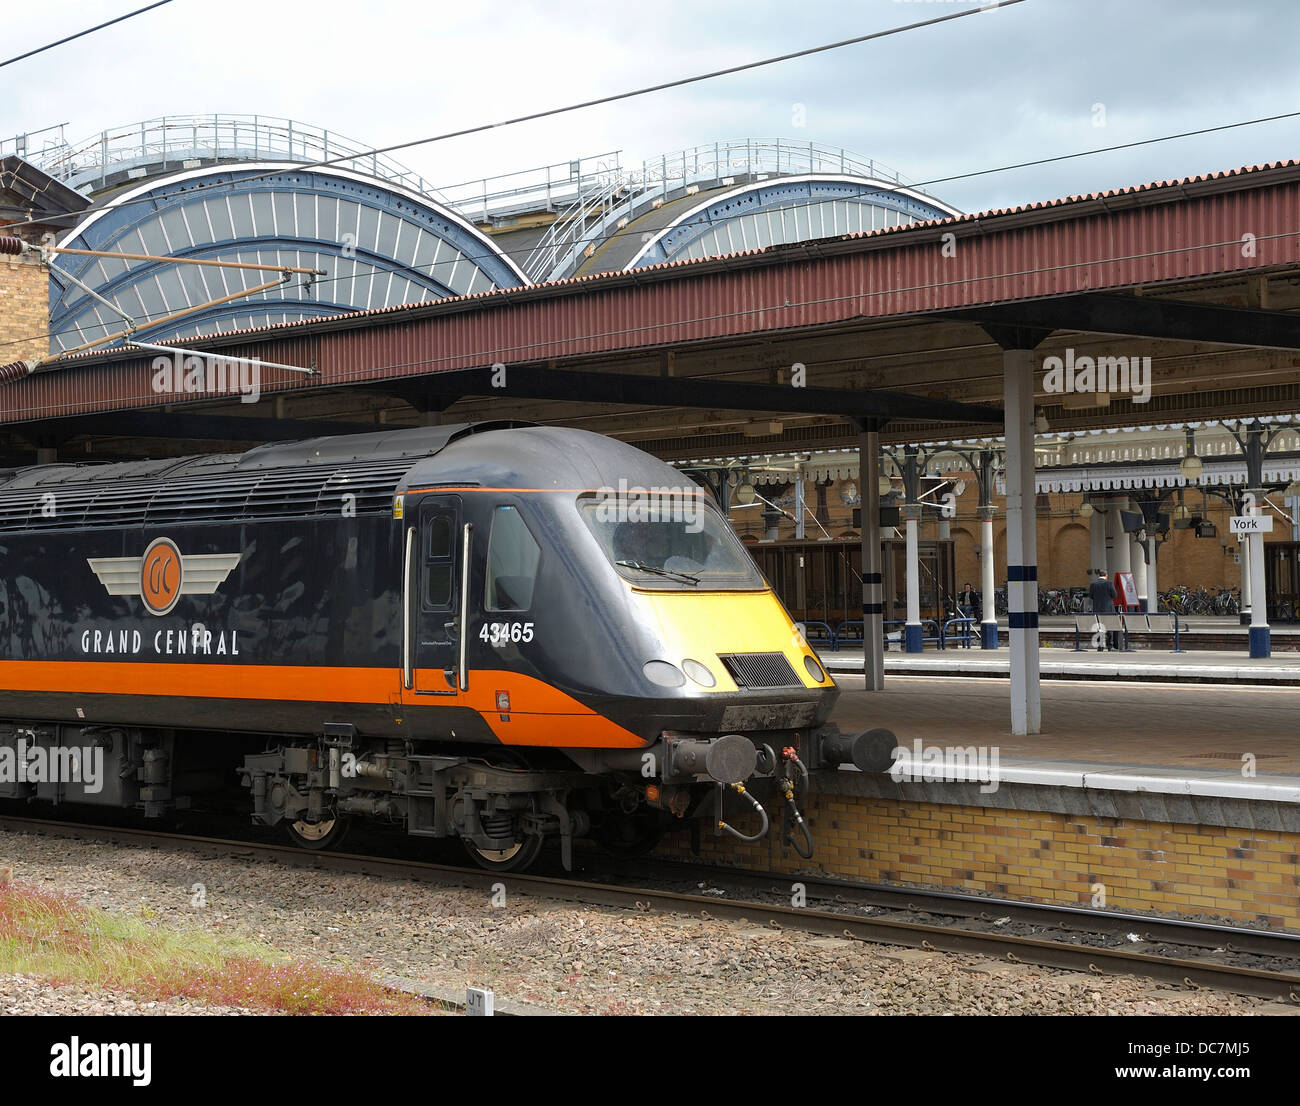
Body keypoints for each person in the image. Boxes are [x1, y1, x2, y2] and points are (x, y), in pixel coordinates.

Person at [1088, 568, 1119, 650]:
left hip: (1097, 609)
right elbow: (1115, 595)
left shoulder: (1093, 584)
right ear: (1106, 575)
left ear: (1099, 575)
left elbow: (1090, 596)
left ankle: (1100, 646)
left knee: (1099, 627)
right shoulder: (1109, 583)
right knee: (1109, 627)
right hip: (1108, 609)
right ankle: (1110, 646)